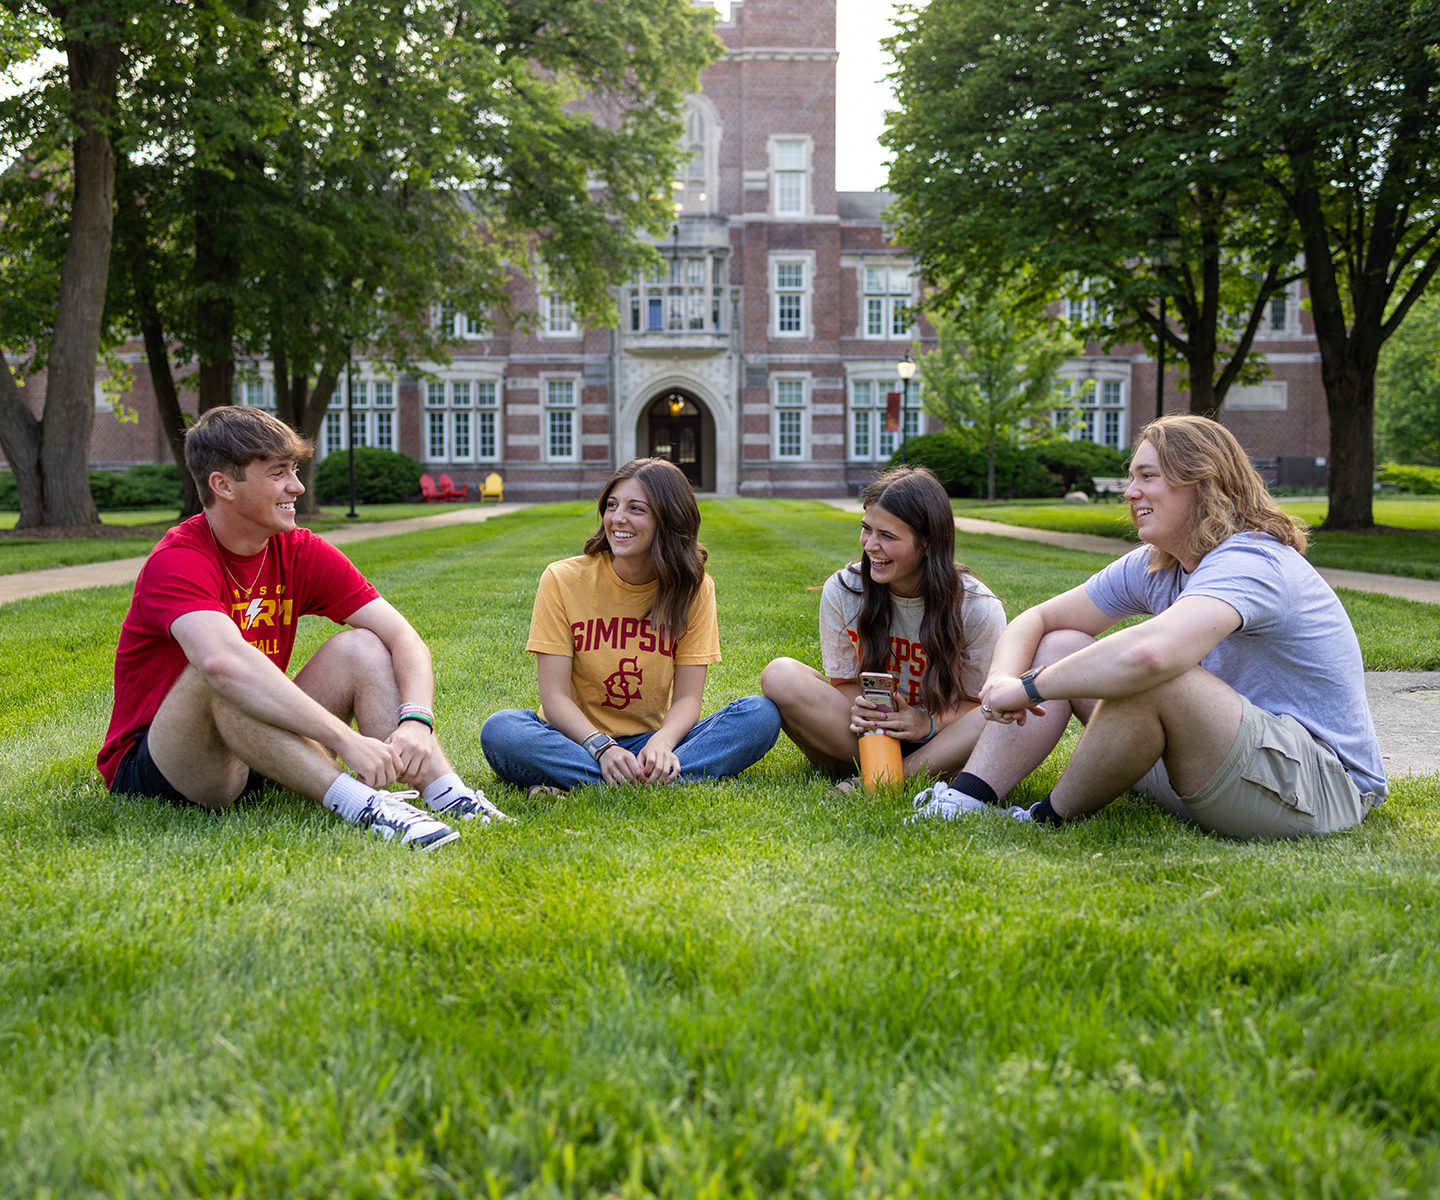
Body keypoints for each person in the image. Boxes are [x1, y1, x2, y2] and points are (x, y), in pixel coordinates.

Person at [912, 414, 1386, 838]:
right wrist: (1002, 680)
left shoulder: (1253, 559)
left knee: (1159, 675)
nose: (1130, 491)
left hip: (1320, 788)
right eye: (1130, 477)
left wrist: (1030, 689)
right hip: (1220, 766)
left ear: (1202, 483)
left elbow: (1151, 656)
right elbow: (1038, 619)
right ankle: (967, 798)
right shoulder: (1158, 563)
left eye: (1147, 476)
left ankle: (1043, 821)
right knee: (1061, 643)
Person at [97, 406, 505, 851]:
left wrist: (417, 721)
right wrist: (345, 741)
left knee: (362, 647)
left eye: (295, 469)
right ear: (223, 485)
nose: (298, 486)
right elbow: (222, 663)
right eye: (278, 473)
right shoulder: (178, 560)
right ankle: (365, 805)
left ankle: (448, 793)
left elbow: (402, 636)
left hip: (256, 748)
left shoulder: (298, 549)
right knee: (220, 674)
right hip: (167, 764)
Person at [480, 458, 780, 792]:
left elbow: (687, 699)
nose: (617, 518)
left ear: (668, 520)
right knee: (502, 730)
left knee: (760, 715)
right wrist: (602, 747)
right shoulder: (562, 579)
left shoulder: (694, 589)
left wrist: (663, 743)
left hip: (649, 742)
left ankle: (603, 781)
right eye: (611, 505)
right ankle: (651, 781)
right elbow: (554, 698)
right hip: (576, 742)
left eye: (636, 508)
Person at [760, 466, 1007, 786]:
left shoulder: (978, 608)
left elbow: (979, 704)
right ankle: (891, 769)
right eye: (867, 529)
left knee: (999, 713)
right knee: (780, 674)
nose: (870, 545)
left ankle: (891, 777)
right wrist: (867, 712)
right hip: (869, 731)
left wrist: (923, 723)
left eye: (887, 536)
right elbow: (844, 683)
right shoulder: (845, 590)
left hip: (943, 737)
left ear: (929, 543)